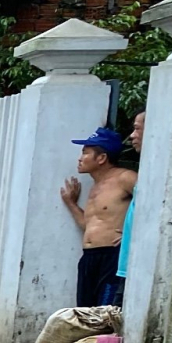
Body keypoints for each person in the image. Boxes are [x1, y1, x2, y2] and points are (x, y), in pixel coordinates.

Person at [60, 125, 139, 307]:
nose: (80, 159)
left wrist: (132, 235)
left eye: (85, 153)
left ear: (102, 158)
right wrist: (71, 203)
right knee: (85, 312)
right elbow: (90, 225)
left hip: (111, 257)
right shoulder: (95, 186)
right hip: (89, 257)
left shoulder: (125, 178)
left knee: (104, 312)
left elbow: (152, 205)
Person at [115, 110, 146, 291]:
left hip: (138, 267)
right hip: (127, 264)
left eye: (137, 129)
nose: (132, 136)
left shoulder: (129, 178)